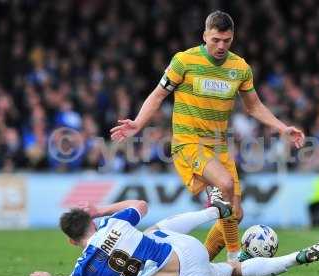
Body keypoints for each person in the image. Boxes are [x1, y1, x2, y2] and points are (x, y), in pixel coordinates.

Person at [110, 10, 305, 261]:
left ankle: (200, 262)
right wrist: (137, 123)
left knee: (236, 214)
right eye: (215, 40)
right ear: (205, 35)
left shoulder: (240, 68)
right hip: (188, 142)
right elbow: (159, 94)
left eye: (226, 40)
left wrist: (282, 128)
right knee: (224, 185)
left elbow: (254, 106)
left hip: (219, 147)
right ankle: (235, 259)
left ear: (232, 38)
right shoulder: (184, 61)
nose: (221, 46)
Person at [29, 199, 319, 276]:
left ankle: (296, 258)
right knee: (155, 229)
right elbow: (141, 204)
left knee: (234, 269)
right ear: (92, 222)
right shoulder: (112, 223)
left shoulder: (84, 270)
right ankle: (214, 211)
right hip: (185, 251)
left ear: (71, 240)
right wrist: (99, 210)